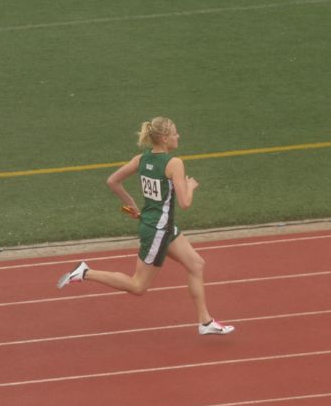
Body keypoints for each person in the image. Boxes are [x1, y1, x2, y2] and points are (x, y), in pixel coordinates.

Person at [57, 117, 235, 336]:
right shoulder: (174, 163)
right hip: (158, 231)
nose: (178, 136)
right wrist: (190, 186)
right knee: (138, 286)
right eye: (175, 133)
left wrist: (131, 206)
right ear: (163, 138)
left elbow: (113, 181)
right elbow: (185, 203)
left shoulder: (141, 159)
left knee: (196, 265)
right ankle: (85, 272)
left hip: (160, 226)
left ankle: (205, 322)